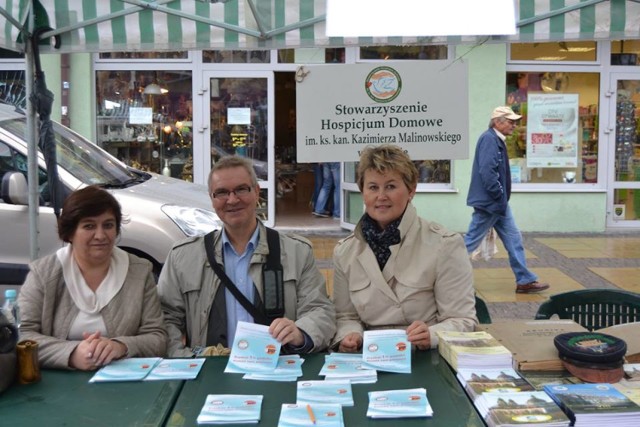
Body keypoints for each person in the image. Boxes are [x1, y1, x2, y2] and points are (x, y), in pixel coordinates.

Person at [158, 155, 336, 357]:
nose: (232, 200)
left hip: (275, 371)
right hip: (210, 375)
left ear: (257, 192)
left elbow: (320, 310)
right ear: (212, 199)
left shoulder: (297, 252)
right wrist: (185, 357)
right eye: (222, 193)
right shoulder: (183, 257)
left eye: (241, 189)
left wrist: (301, 332)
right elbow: (165, 319)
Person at [331, 145, 477, 352]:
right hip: (370, 357)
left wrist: (432, 335)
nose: (381, 196)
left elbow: (462, 320)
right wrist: (350, 335)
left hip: (426, 359)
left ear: (411, 190)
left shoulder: (445, 244)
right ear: (363, 192)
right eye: (373, 187)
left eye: (390, 186)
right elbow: (345, 316)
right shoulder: (344, 252)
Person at [17, 186, 167, 370]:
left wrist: (120, 346)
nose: (100, 235)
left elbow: (158, 337)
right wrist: (71, 354)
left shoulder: (140, 271)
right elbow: (22, 336)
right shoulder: (44, 273)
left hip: (125, 384)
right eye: (89, 226)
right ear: (70, 232)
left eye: (108, 225)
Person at [464, 106, 550, 294]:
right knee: (470, 241)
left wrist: (500, 198)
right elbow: (487, 172)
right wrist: (498, 194)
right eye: (510, 121)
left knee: (514, 238)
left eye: (514, 122)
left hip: (497, 203)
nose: (514, 125)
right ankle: (440, 274)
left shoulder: (495, 139)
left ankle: (525, 280)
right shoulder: (490, 139)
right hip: (490, 203)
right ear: (497, 122)